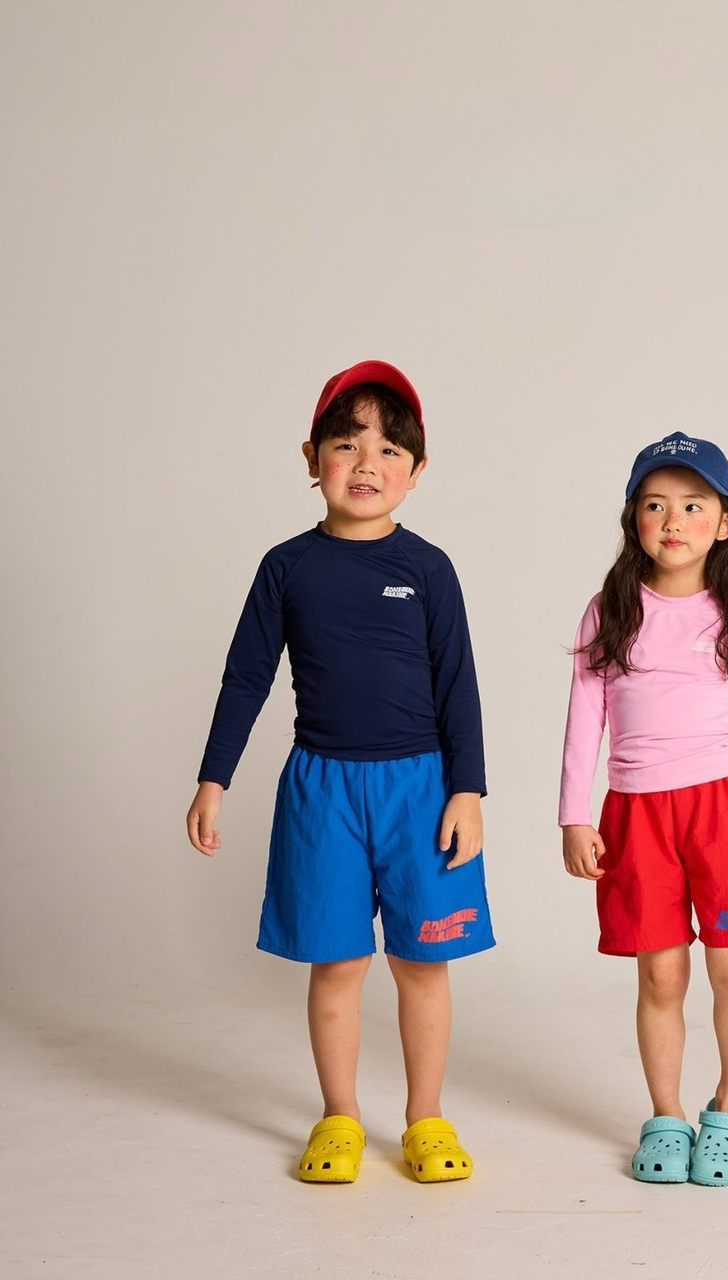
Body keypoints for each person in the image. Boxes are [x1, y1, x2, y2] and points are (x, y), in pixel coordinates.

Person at [187, 360, 494, 1185]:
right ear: (311, 456)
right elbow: (246, 677)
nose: (367, 463)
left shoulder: (429, 568)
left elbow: (458, 683)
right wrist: (214, 778)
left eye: (390, 450)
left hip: (420, 790)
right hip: (322, 790)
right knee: (339, 964)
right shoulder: (286, 567)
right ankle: (340, 1116)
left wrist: (467, 791)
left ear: (416, 471)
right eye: (347, 444)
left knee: (422, 964)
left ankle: (425, 1117)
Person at [559, 431, 728, 1186]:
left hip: (723, 811)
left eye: (693, 505)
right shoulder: (610, 611)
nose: (673, 520)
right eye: (655, 504)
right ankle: (665, 1114)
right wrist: (574, 815)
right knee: (660, 975)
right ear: (634, 518)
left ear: (725, 522)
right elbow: (584, 717)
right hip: (637, 814)